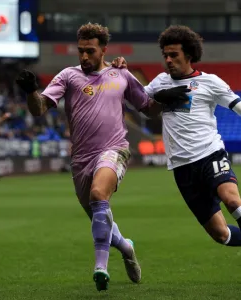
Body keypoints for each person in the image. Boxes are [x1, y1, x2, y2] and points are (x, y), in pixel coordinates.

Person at [16, 22, 189, 291]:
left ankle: (101, 268)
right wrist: (30, 92)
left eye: (90, 51)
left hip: (114, 149)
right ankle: (126, 246)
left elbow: (148, 109)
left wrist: (166, 98)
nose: (84, 56)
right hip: (81, 159)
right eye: (81, 51)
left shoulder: (121, 74)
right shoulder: (68, 76)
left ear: (104, 50)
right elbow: (39, 109)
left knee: (99, 195)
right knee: (100, 216)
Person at [113, 25, 241, 248]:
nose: (169, 60)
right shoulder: (160, 82)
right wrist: (120, 72)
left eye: (174, 55)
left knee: (231, 200)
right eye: (165, 55)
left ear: (189, 55)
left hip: (210, 154)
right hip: (182, 167)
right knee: (221, 235)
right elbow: (132, 102)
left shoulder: (210, 82)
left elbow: (238, 106)